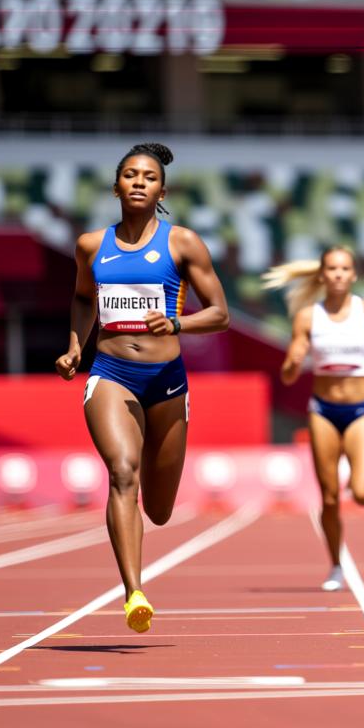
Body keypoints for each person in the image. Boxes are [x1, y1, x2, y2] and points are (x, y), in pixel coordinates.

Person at [55, 142, 230, 633]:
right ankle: (134, 591)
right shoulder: (92, 245)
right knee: (122, 473)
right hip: (111, 375)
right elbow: (82, 299)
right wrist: (75, 347)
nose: (138, 182)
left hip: (168, 383)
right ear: (116, 187)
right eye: (129, 175)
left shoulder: (183, 244)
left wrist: (175, 324)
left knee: (159, 508)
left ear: (162, 190)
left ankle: (142, 557)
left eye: (148, 177)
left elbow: (220, 313)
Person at [263, 247, 364, 592]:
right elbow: (286, 376)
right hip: (323, 412)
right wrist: (294, 361)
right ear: (322, 275)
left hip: (360, 410)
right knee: (329, 498)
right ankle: (335, 565)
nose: (339, 274)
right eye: (332, 268)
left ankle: (350, 476)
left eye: (345, 268)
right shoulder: (307, 318)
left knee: (363, 495)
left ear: (354, 274)